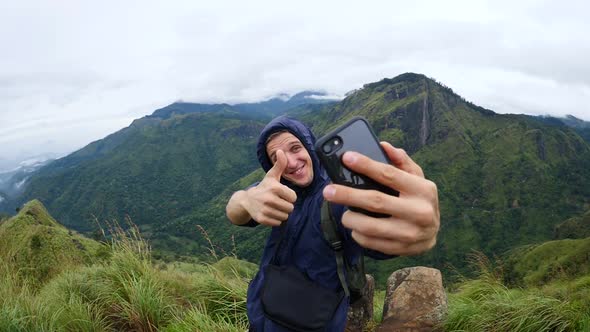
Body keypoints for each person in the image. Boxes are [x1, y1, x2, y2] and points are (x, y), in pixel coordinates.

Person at [226, 116, 440, 331]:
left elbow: (373, 234)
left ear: (309, 146)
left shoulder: (338, 195)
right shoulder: (275, 191)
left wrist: (403, 223)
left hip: (313, 322)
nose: (290, 162)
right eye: (277, 157)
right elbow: (235, 211)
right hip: (262, 314)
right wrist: (245, 200)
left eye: (295, 148)